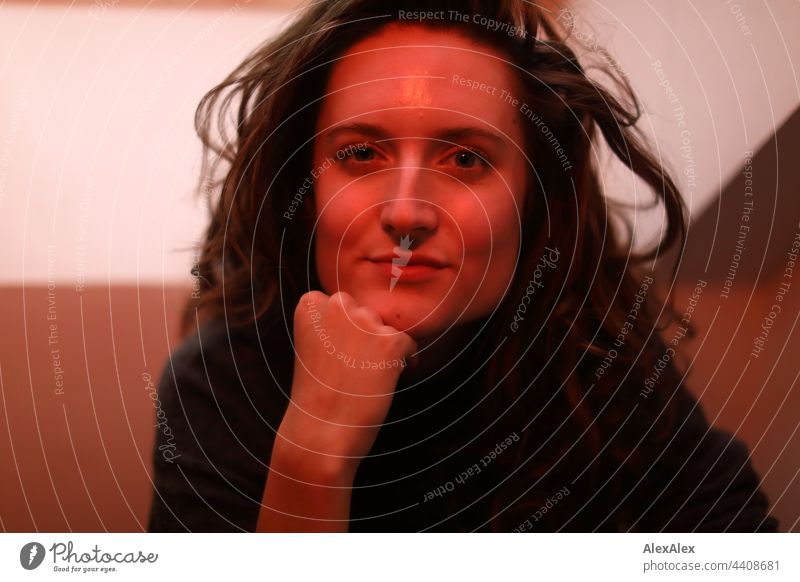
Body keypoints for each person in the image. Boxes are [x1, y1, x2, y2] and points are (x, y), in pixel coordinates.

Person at [147, 0, 778, 532]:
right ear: (303, 190)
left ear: (533, 201)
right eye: (361, 153)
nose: (406, 212)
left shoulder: (602, 368)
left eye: (467, 161)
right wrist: (313, 456)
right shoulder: (222, 382)